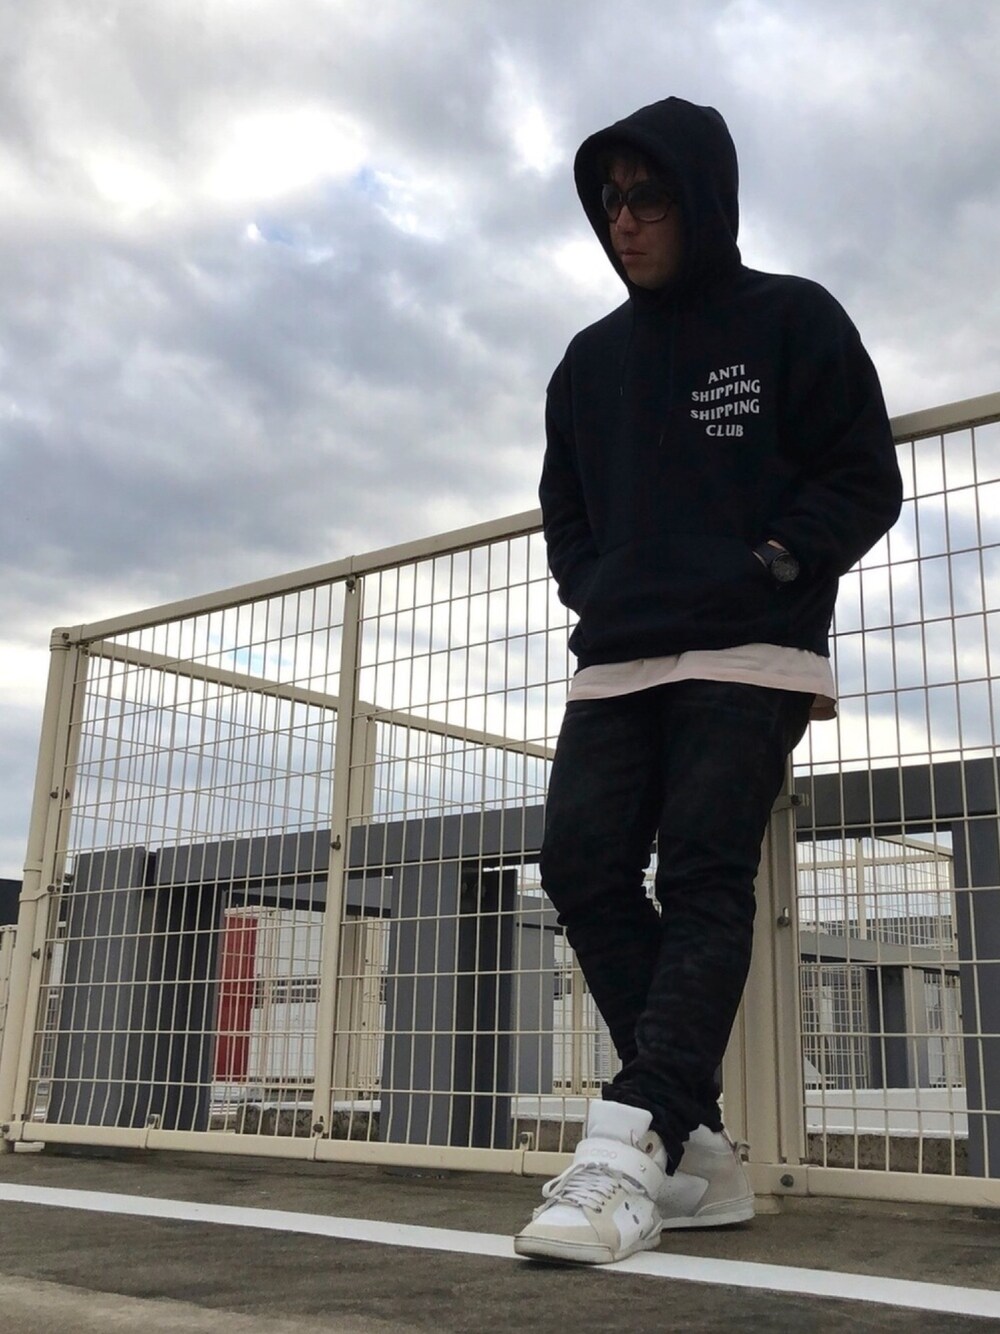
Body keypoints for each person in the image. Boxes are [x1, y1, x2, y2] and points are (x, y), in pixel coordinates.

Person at [514, 96, 902, 1265]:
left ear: (703, 198)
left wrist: (772, 562)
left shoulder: (791, 317)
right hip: (619, 653)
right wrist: (597, 588)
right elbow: (564, 510)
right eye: (608, 202)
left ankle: (633, 1140)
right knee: (579, 863)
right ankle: (698, 1149)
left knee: (699, 869)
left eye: (648, 197)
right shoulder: (588, 361)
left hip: (749, 643)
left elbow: (862, 473)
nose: (623, 222)